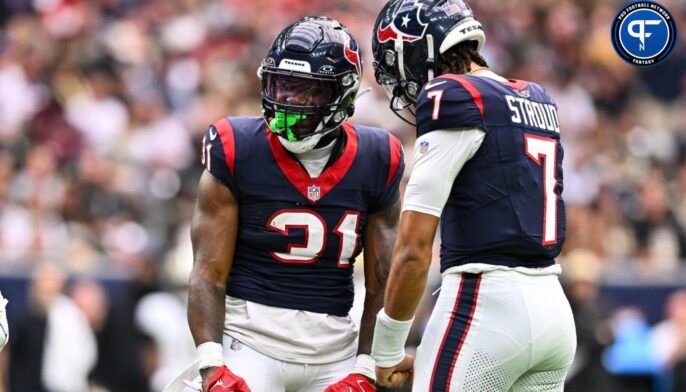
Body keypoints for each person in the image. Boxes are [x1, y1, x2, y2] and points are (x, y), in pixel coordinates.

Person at [167, 16, 404, 392]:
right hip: (247, 342)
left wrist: (365, 368)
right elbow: (207, 271)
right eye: (281, 86)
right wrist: (213, 367)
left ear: (342, 95)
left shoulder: (379, 157)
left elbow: (382, 282)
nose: (290, 101)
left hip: (336, 349)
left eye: (309, 91)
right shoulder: (237, 146)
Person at [370, 1, 576, 390]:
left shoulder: (454, 95)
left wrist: (388, 347)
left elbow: (414, 247)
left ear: (422, 50)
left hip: (485, 307)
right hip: (553, 308)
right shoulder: (537, 97)